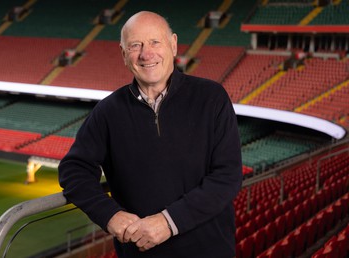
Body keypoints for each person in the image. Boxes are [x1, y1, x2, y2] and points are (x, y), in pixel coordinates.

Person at [58, 11, 242, 258]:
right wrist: (109, 214)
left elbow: (227, 176)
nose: (146, 54)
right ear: (124, 55)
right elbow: (73, 169)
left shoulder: (212, 98)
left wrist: (168, 222)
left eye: (155, 42)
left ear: (174, 44)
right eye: (135, 45)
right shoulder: (107, 111)